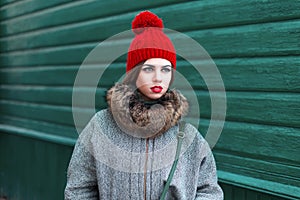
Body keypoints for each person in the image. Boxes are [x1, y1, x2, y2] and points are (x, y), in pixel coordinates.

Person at [65, 11, 223, 200]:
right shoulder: (101, 125)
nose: (158, 77)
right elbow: (78, 189)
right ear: (134, 72)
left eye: (165, 69)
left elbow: (210, 191)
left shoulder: (187, 135)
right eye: (148, 69)